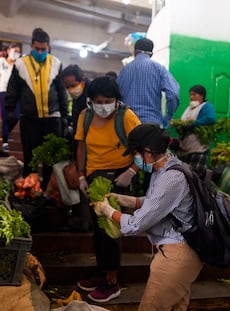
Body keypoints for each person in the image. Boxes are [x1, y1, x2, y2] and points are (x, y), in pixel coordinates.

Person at [93, 124, 203, 310]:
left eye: (135, 154)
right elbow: (159, 203)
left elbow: (136, 224)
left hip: (177, 256)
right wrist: (129, 201)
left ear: (148, 152)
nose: (135, 160)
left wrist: (108, 211)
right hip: (184, 253)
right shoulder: (168, 167)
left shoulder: (171, 178)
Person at [75, 76, 141, 303]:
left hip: (118, 178)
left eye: (108, 100)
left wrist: (131, 171)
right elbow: (81, 146)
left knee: (111, 230)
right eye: (98, 101)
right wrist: (82, 174)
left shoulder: (127, 117)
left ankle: (112, 282)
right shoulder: (85, 117)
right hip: (94, 178)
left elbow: (143, 150)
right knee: (98, 229)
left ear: (116, 100)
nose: (103, 105)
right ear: (90, 101)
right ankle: (103, 272)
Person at [5, 27, 68, 187]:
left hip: (52, 119)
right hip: (29, 119)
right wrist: (10, 109)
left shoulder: (56, 63)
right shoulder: (20, 64)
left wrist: (65, 116)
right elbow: (13, 88)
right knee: (30, 157)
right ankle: (29, 189)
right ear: (31, 46)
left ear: (48, 47)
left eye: (43, 49)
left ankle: (46, 190)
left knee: (50, 160)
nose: (40, 52)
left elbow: (61, 92)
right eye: (37, 49)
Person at [117, 38, 180, 129]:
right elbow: (173, 93)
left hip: (126, 123)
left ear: (134, 52)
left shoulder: (123, 70)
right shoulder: (159, 69)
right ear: (151, 54)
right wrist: (168, 117)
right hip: (150, 124)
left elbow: (117, 97)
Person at [171, 85, 216, 177]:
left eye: (194, 94)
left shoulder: (206, 106)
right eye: (190, 94)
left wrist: (195, 124)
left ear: (201, 95)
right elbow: (183, 122)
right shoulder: (188, 108)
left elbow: (210, 118)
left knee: (194, 177)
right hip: (184, 148)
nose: (191, 97)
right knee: (183, 176)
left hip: (197, 149)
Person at [61, 64, 91, 140]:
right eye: (67, 87)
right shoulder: (78, 96)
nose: (70, 90)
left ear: (83, 80)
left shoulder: (93, 95)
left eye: (73, 86)